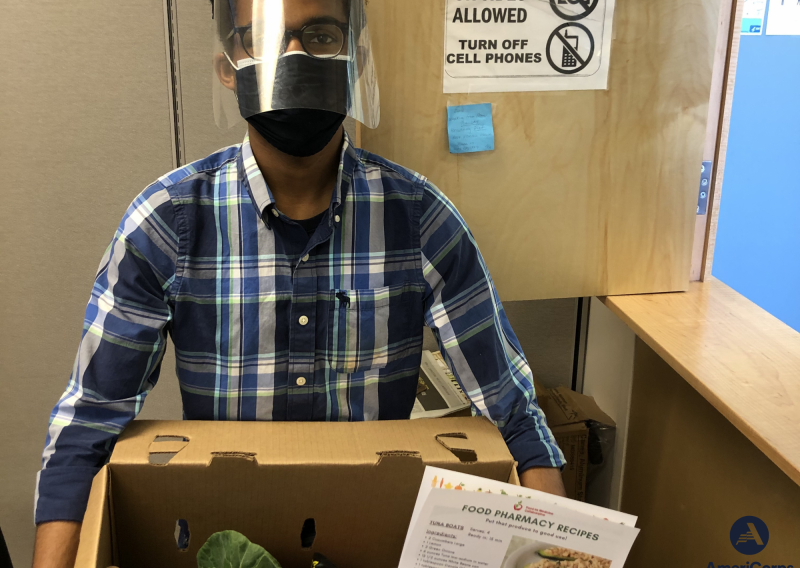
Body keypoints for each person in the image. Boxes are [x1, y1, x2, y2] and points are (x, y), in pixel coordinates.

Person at [32, 0, 565, 565]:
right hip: (223, 539)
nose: (293, 57)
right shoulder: (167, 223)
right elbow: (88, 425)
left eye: (321, 35)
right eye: (262, 39)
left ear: (354, 60)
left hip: (373, 535)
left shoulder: (419, 219)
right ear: (226, 66)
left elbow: (514, 413)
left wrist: (560, 549)